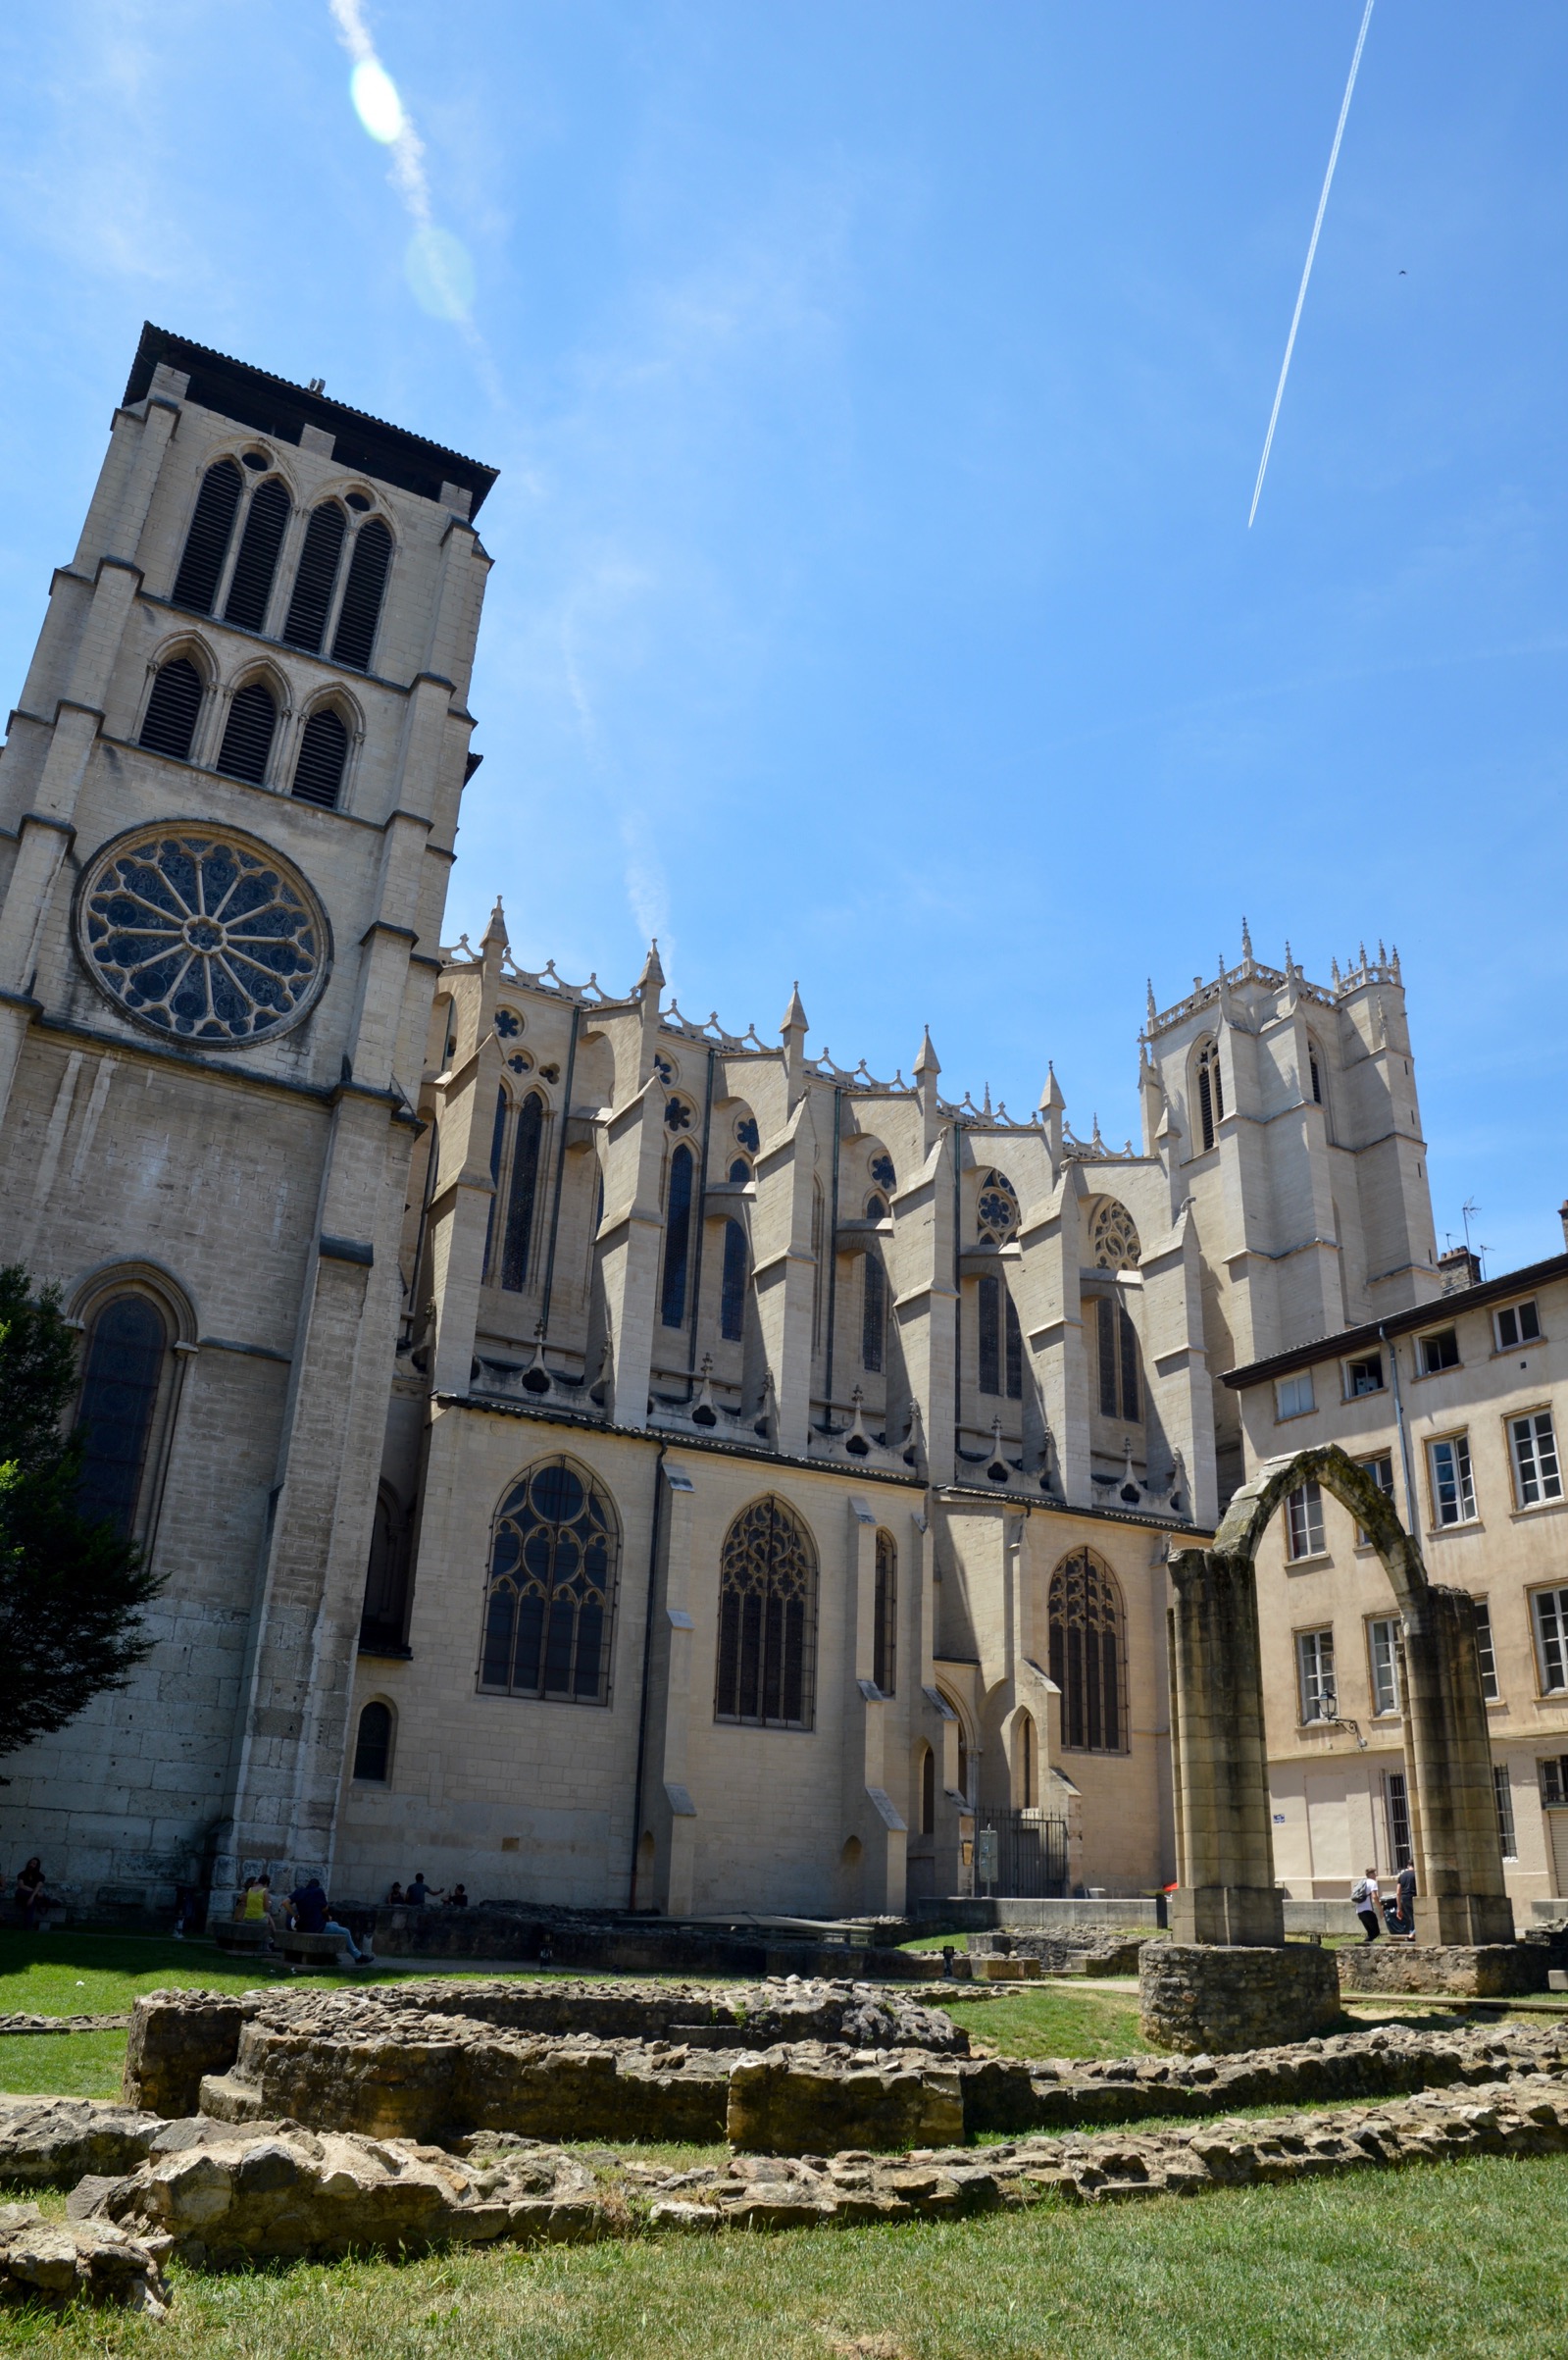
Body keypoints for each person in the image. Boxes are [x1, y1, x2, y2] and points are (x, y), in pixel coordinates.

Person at [289, 1874, 368, 1964]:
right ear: (317, 1885)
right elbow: (325, 1908)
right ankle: (358, 1956)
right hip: (317, 1927)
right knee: (345, 1931)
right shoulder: (318, 1892)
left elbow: (285, 1903)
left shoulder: (299, 1891)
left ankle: (333, 1955)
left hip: (303, 1927)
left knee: (335, 1924)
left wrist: (294, 1914)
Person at [1351, 1867, 1382, 1942]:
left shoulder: (1361, 1882)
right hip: (1367, 1910)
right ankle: (1363, 1945)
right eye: (1374, 1874)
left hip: (1359, 1911)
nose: (1375, 1876)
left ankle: (1367, 1949)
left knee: (1370, 1933)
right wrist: (1380, 1909)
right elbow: (1375, 1896)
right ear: (1371, 1874)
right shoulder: (1372, 1882)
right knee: (1375, 1932)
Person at [15, 1860, 46, 1928]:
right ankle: (28, 1926)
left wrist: (32, 1897)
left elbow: (38, 1886)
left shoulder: (41, 1876)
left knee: (32, 1903)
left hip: (31, 1896)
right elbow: (21, 1886)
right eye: (30, 1863)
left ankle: (27, 1926)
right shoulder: (22, 1874)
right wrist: (35, 1893)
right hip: (22, 1894)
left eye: (34, 1864)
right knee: (20, 1891)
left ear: (37, 1866)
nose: (31, 1865)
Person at [1395, 1862, 1418, 1940]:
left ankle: (1412, 1936)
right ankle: (1412, 1935)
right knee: (1420, 1917)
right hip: (1414, 1897)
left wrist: (1399, 1908)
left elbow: (1398, 1892)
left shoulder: (1402, 1876)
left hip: (1404, 1898)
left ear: (1408, 1865)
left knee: (1412, 1918)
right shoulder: (1416, 1874)